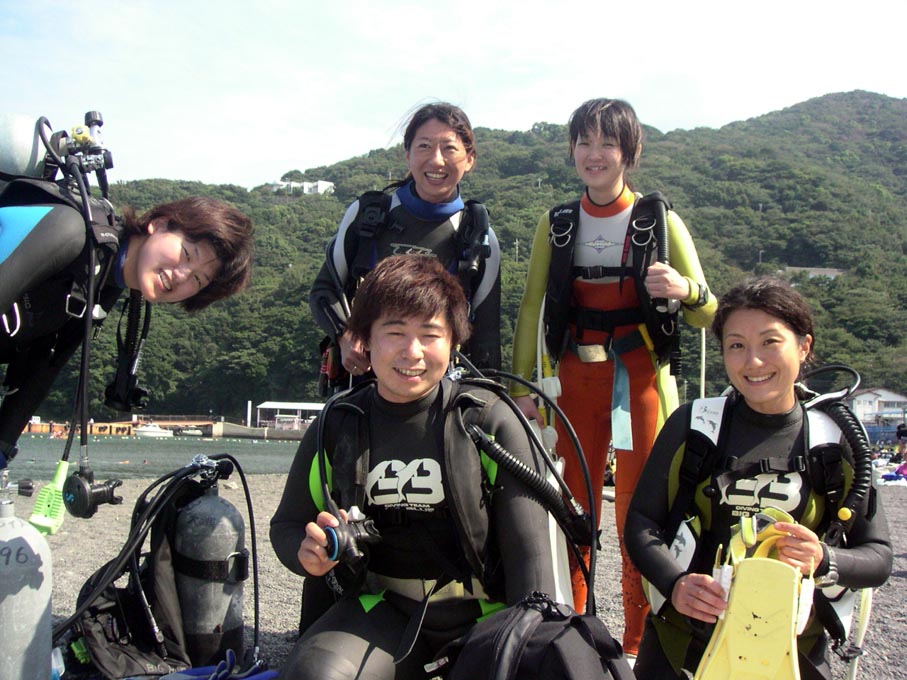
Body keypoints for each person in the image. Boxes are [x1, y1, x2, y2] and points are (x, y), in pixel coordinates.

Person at [271, 255, 554, 680]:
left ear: (453, 341)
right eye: (395, 332)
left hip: (485, 615)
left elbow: (532, 561)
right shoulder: (338, 425)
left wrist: (528, 646)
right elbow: (287, 524)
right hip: (382, 610)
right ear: (365, 340)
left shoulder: (490, 421)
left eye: (430, 334)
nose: (413, 351)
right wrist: (306, 553)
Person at [509, 98, 716, 656]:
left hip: (642, 381)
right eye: (584, 142)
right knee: (571, 505)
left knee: (639, 510)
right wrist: (521, 391)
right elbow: (531, 307)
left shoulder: (660, 222)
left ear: (630, 151)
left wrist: (684, 289)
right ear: (572, 149)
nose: (594, 154)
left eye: (607, 142)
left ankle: (639, 639)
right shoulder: (556, 224)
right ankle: (568, 626)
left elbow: (709, 312)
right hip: (575, 377)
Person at [624, 277, 892, 679]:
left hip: (791, 651)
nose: (753, 362)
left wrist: (824, 558)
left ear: (804, 346)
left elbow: (879, 556)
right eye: (737, 345)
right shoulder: (694, 426)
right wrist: (676, 583)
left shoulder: (834, 440)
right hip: (682, 643)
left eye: (770, 342)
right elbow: (642, 523)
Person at [0, 179, 253, 467]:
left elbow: (47, 363)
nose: (181, 276)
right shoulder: (69, 231)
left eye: (197, 280)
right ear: (158, 224)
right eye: (186, 254)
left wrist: (3, 447)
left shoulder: (104, 279)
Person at [309, 102, 501, 381]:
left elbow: (486, 339)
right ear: (407, 155)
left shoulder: (479, 238)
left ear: (470, 159)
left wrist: (486, 398)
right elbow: (323, 291)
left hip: (438, 391)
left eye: (449, 148)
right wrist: (344, 334)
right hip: (362, 385)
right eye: (424, 146)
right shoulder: (368, 216)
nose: (436, 160)